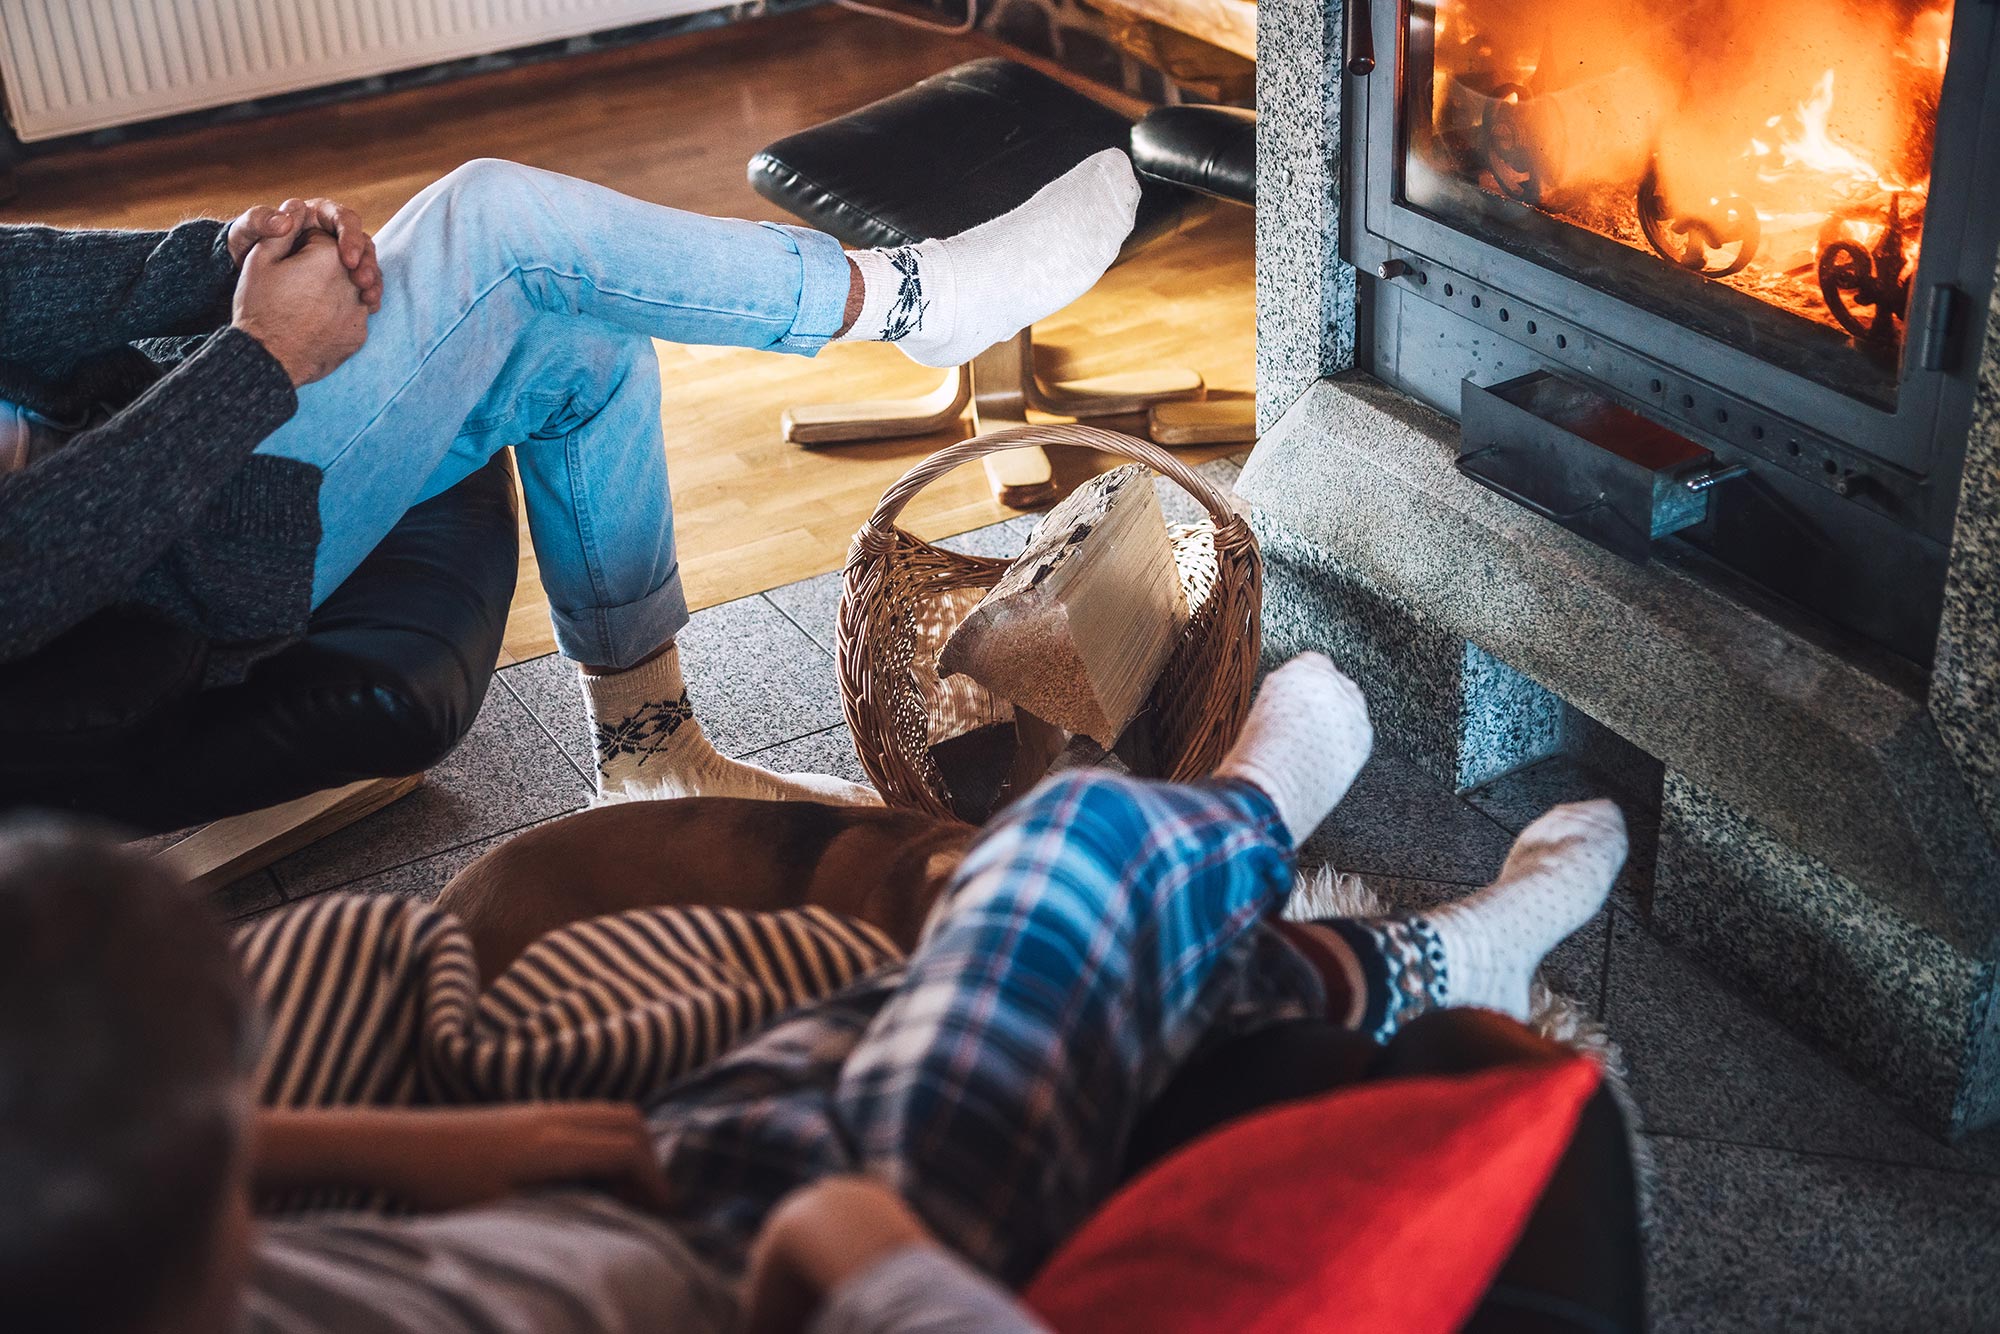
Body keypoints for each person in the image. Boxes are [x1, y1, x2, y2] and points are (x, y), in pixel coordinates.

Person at [0, 656, 1631, 1333]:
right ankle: (1302, 855)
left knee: (1019, 976)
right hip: (786, 1243)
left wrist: (397, 1147)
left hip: (648, 1168)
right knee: (1061, 853)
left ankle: (1373, 948)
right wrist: (833, 1249)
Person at [0, 150, 1143, 803]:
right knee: (494, 218)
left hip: (157, 423)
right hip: (160, 577)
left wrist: (218, 260)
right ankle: (910, 300)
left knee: (578, 349)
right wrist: (260, 360)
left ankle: (649, 751)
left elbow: (17, 280)